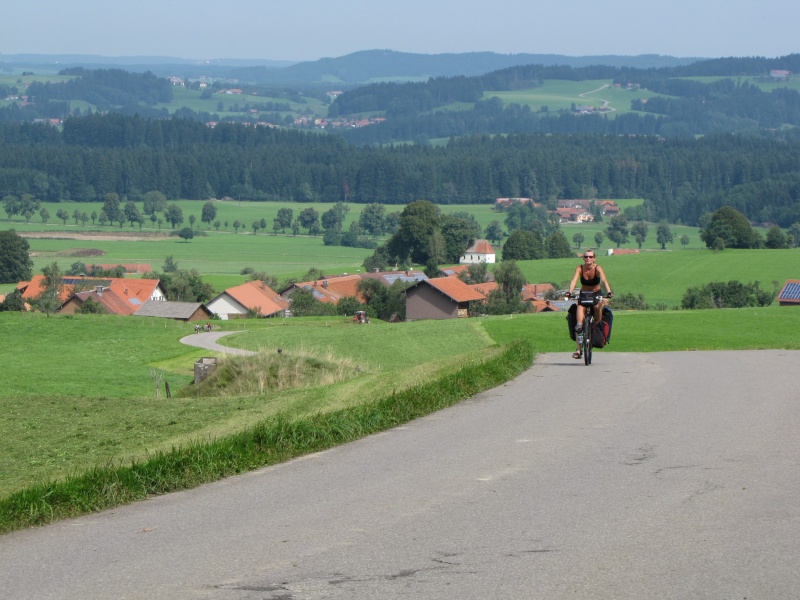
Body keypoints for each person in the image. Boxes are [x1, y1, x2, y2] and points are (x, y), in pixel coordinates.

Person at [567, 251, 613, 359]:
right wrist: (570, 291)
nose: (588, 258)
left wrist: (609, 291)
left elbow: (604, 280)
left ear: (594, 258)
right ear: (583, 258)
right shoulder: (580, 268)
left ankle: (597, 326)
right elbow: (574, 280)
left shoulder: (597, 268)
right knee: (579, 320)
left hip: (596, 294)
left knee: (597, 306)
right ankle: (578, 350)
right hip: (584, 294)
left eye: (590, 257)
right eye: (586, 256)